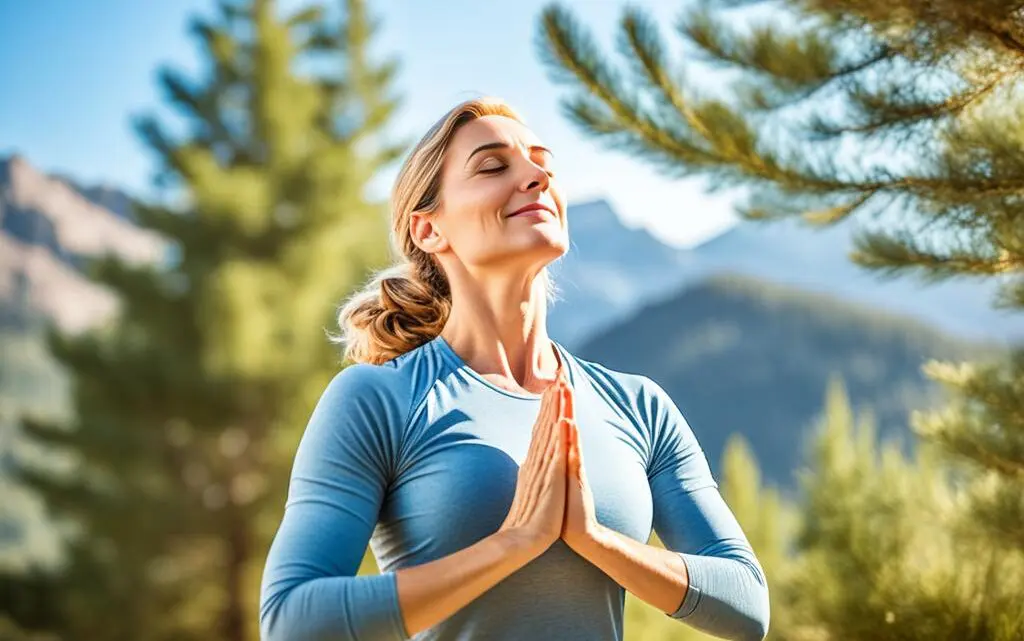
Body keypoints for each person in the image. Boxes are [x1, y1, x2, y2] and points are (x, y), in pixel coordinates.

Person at [258, 97, 770, 641]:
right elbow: (292, 618)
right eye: (493, 166)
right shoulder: (378, 399)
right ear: (429, 229)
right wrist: (513, 542)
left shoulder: (638, 405)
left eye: (544, 164)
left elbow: (747, 604)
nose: (536, 176)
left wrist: (595, 539)